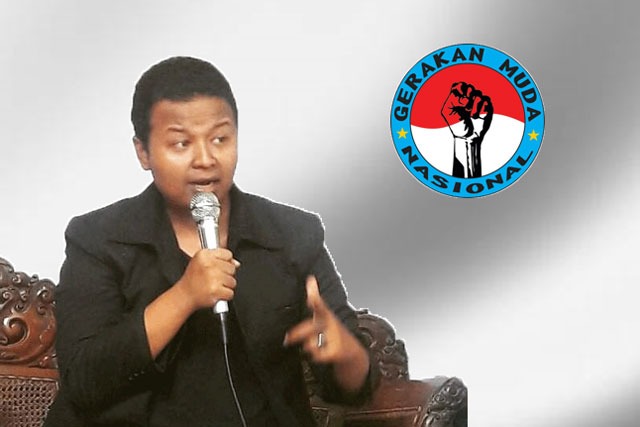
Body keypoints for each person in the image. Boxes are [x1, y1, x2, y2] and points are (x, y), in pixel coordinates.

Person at [44, 56, 377, 427]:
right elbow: (84, 381)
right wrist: (184, 297)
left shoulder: (291, 234)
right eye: (181, 143)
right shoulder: (98, 239)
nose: (205, 159)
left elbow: (354, 386)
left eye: (220, 139)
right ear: (143, 152)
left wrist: (345, 355)